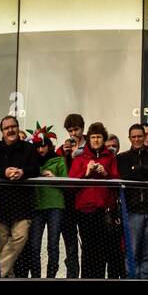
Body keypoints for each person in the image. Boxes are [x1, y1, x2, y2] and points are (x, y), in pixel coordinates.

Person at [0, 114, 41, 277]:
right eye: (6, 128)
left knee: (20, 236)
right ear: (1, 131)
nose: (10, 130)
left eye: (13, 127)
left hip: (22, 204)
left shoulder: (28, 148)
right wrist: (4, 172)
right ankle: (8, 278)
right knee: (2, 245)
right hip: (0, 204)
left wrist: (22, 173)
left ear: (18, 128)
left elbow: (35, 169)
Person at [70, 121, 119, 279]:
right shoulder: (80, 158)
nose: (96, 140)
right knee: (88, 250)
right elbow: (71, 183)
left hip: (104, 211)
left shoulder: (110, 157)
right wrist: (86, 172)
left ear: (103, 139)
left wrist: (106, 174)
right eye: (93, 137)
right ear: (89, 139)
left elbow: (118, 181)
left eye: (99, 137)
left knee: (102, 250)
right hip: (85, 211)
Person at [118, 122, 148, 279]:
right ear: (129, 138)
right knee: (133, 251)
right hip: (132, 210)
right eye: (134, 137)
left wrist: (138, 169)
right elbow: (125, 176)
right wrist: (144, 173)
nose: (137, 139)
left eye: (139, 136)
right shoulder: (122, 158)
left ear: (145, 137)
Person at [27, 126, 68, 278]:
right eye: (37, 146)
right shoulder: (31, 163)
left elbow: (67, 184)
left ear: (49, 145)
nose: (40, 149)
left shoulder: (59, 160)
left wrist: (53, 177)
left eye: (43, 145)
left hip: (55, 206)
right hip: (37, 206)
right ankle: (36, 277)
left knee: (53, 245)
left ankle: (51, 277)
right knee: (34, 245)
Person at [57, 112, 86, 278]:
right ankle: (72, 276)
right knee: (70, 245)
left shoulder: (90, 145)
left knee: (88, 244)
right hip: (68, 203)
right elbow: (61, 171)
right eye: (70, 131)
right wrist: (66, 154)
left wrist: (78, 153)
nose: (73, 134)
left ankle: (88, 275)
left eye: (76, 129)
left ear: (82, 128)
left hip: (84, 201)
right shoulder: (64, 148)